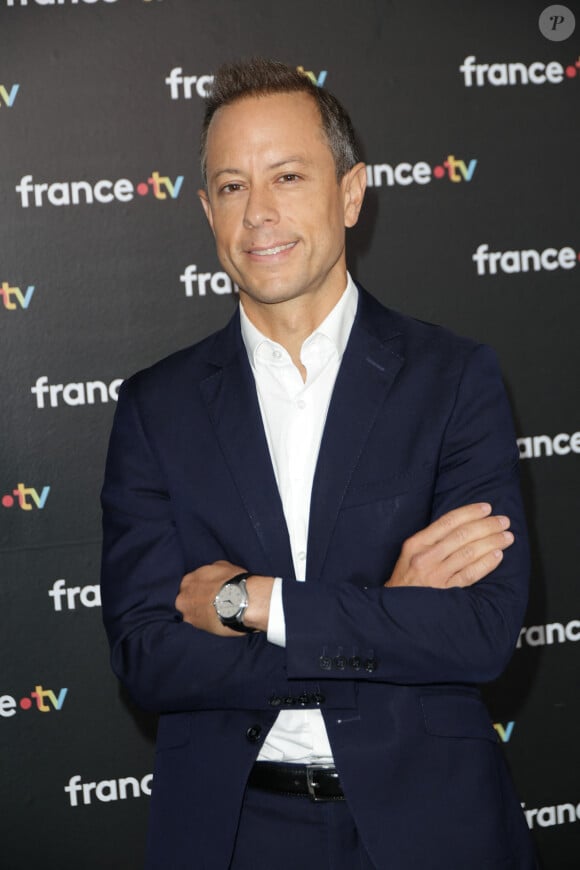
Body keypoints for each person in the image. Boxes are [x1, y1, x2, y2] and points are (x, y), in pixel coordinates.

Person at [101, 58, 537, 870]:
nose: (258, 213)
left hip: (432, 823)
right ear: (205, 210)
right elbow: (148, 658)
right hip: (233, 832)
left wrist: (259, 604)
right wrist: (384, 616)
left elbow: (480, 634)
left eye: (288, 176)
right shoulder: (155, 408)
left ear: (350, 191)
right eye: (231, 187)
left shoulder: (452, 378)